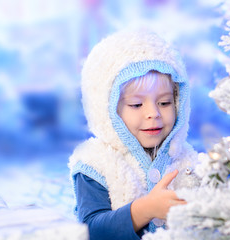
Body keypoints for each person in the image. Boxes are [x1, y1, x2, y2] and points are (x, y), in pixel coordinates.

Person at [68, 29, 199, 240]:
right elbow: (91, 230)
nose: (153, 114)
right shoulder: (96, 164)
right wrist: (145, 209)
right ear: (106, 110)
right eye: (136, 104)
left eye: (164, 102)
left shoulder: (187, 161)